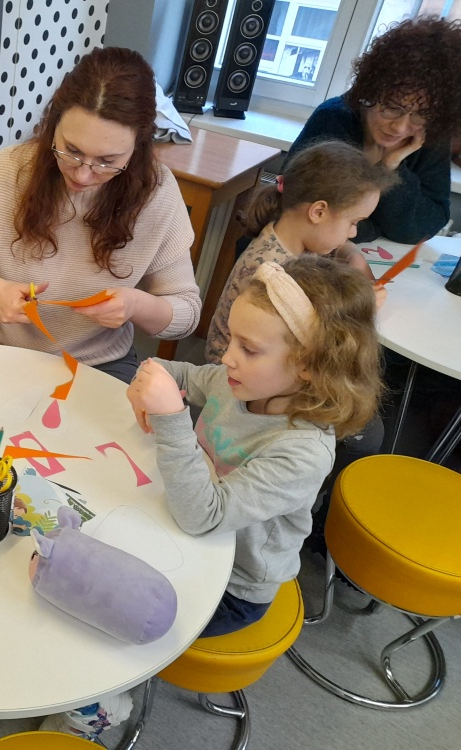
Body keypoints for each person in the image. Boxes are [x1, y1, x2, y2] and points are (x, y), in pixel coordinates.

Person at [128, 255, 381, 636]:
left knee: (115, 603)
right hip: (187, 536)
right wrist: (149, 376)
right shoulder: (239, 383)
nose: (227, 357)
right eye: (231, 338)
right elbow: (181, 374)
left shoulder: (303, 452)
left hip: (232, 586)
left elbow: (203, 517)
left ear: (309, 365)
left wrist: (170, 417)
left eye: (249, 348)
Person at [0, 46, 200, 384]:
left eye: (107, 161)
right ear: (53, 124)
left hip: (100, 363)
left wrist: (136, 306)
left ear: (138, 147)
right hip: (1, 350)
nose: (82, 174)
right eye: (72, 150)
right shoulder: (4, 173)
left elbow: (187, 311)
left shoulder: (156, 193)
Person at [206, 141, 397, 364]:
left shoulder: (294, 234)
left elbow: (341, 245)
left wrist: (354, 257)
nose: (353, 233)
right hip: (235, 371)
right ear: (318, 212)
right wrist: (360, 309)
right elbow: (309, 338)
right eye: (353, 222)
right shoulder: (271, 270)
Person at [285, 17, 461, 244]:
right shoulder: (334, 120)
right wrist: (375, 228)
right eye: (392, 108)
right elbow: (297, 207)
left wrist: (390, 167)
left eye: (421, 114)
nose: (400, 127)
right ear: (370, 92)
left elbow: (423, 228)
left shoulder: (430, 136)